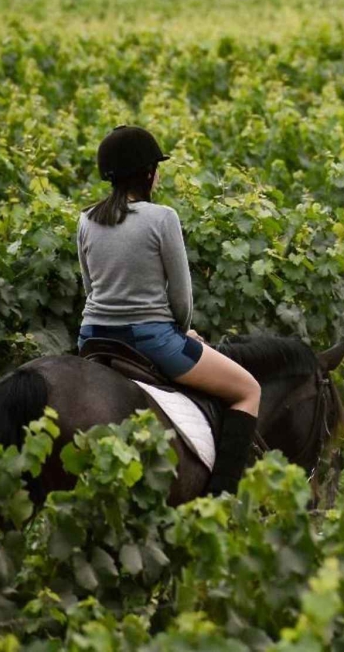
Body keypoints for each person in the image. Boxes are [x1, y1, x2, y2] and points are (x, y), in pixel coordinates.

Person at [75, 125, 260, 495]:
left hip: (92, 338)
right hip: (150, 340)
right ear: (147, 173)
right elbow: (182, 299)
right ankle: (221, 496)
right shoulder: (163, 218)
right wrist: (184, 331)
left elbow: (89, 289)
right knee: (248, 390)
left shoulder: (86, 220)